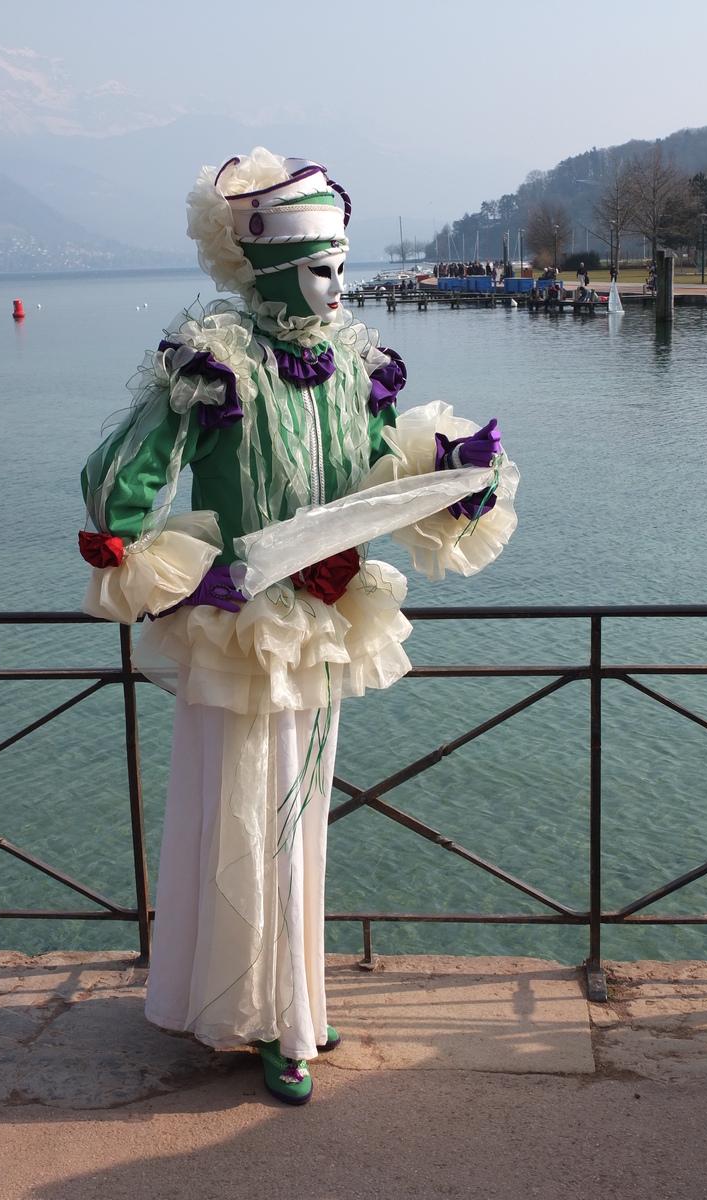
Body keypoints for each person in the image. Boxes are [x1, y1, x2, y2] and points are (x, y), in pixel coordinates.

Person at [77, 149, 518, 1107]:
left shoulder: (353, 362)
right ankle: (260, 1015)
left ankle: (289, 1000)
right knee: (245, 808)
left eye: (343, 262)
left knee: (297, 816)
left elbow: (368, 476)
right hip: (243, 619)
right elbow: (125, 469)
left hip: (321, 619)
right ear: (272, 263)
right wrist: (134, 545)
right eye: (322, 266)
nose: (339, 284)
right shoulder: (216, 362)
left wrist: (444, 485)